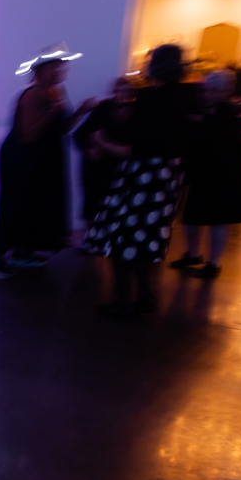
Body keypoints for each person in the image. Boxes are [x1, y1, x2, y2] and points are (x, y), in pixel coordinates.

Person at [81, 43, 199, 317]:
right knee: (144, 241)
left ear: (155, 65)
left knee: (121, 241)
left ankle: (124, 302)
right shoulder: (187, 96)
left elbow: (138, 144)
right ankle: (146, 297)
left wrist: (103, 142)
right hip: (167, 178)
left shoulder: (151, 97)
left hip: (143, 176)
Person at [0, 42, 97, 279]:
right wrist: (51, 112)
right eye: (55, 68)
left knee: (34, 208)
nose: (60, 73)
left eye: (62, 69)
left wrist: (81, 112)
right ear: (40, 70)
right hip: (22, 162)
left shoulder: (55, 92)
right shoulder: (33, 95)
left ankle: (24, 252)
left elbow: (61, 129)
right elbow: (28, 134)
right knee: (16, 206)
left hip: (41, 163)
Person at [172, 70, 241, 279]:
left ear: (224, 91)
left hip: (222, 175)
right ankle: (194, 255)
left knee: (217, 220)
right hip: (207, 172)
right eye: (207, 89)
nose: (208, 93)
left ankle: (213, 263)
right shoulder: (215, 109)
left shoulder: (226, 112)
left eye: (213, 90)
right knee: (193, 217)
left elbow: (213, 135)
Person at [74, 77, 135, 235]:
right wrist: (89, 149)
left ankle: (104, 238)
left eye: (127, 90)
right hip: (97, 166)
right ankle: (91, 238)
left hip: (117, 167)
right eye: (120, 90)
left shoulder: (136, 111)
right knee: (92, 203)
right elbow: (79, 134)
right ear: (114, 92)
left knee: (112, 203)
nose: (123, 94)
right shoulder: (103, 109)